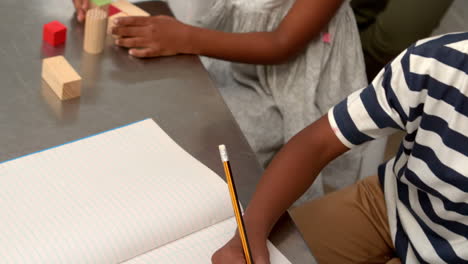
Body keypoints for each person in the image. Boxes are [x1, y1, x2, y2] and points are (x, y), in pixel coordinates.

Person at [72, 0, 368, 203]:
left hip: (293, 81)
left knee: (216, 151)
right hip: (233, 53)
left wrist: (184, 38)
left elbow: (282, 43)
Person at [212, 31, 468, 263]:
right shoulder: (435, 62)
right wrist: (249, 232)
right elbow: (318, 142)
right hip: (393, 204)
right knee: (283, 250)